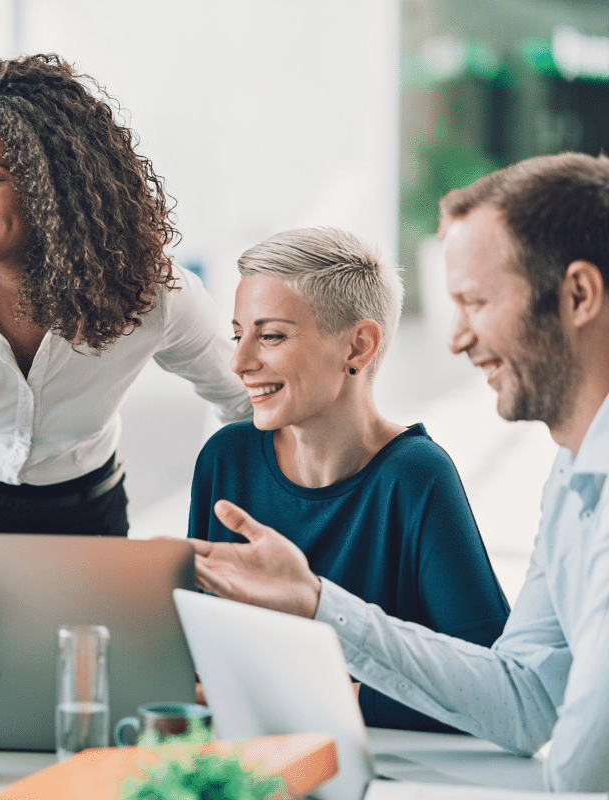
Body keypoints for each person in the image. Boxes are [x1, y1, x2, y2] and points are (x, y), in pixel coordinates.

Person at [192, 152, 609, 792]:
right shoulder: (573, 478)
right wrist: (318, 603)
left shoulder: (419, 473)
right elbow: (523, 701)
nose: (456, 340)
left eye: (475, 301)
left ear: (579, 295)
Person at [0, 54, 250, 535]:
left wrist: (221, 508)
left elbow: (244, 404)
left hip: (87, 517)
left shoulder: (153, 294)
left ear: (53, 189)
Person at [188, 227, 509, 732]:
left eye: (270, 335)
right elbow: (194, 664)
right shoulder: (225, 459)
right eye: (238, 334)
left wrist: (288, 696)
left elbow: (490, 693)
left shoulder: (416, 477)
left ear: (358, 347)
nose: (239, 362)